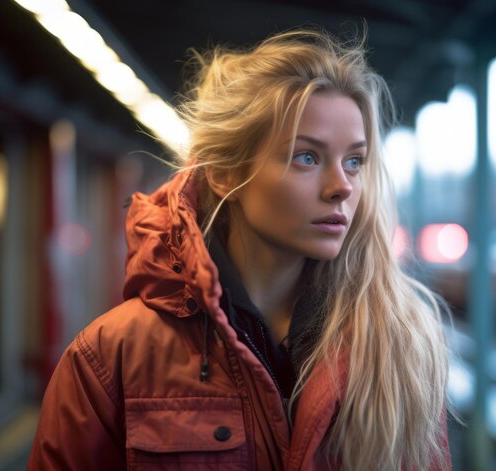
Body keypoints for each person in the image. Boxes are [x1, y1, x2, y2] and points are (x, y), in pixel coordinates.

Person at [28, 28, 452, 470]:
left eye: (354, 161)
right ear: (225, 175)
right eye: (306, 156)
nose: (341, 187)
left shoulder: (398, 346)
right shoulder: (111, 356)